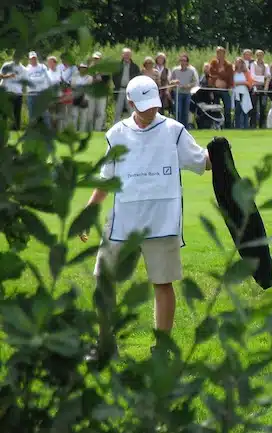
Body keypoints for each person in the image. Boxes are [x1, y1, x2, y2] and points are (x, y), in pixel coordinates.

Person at [80, 75, 212, 356]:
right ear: (130, 102)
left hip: (162, 220)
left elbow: (202, 161)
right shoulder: (116, 134)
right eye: (143, 105)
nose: (150, 110)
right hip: (122, 221)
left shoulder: (173, 130)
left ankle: (161, 349)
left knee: (162, 283)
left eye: (153, 104)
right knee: (103, 278)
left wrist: (221, 154)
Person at [169, 52, 199, 129]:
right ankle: (177, 127)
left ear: (187, 62)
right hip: (178, 93)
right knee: (178, 111)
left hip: (187, 93)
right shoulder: (175, 70)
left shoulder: (191, 71)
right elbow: (170, 81)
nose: (183, 62)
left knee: (185, 112)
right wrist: (174, 82)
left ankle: (185, 128)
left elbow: (195, 82)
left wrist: (189, 86)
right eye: (181, 60)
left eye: (184, 60)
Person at [112, 48, 140, 124]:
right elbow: (114, 77)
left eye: (128, 54)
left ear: (131, 56)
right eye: (125, 54)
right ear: (122, 55)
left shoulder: (135, 67)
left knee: (131, 110)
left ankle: (134, 126)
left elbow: (138, 78)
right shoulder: (117, 66)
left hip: (131, 91)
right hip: (120, 90)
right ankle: (115, 127)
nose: (127, 56)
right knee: (118, 110)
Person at [208, 46, 234, 129]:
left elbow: (229, 76)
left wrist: (219, 75)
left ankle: (228, 126)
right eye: (218, 53)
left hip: (225, 89)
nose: (219, 55)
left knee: (227, 108)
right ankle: (217, 125)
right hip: (215, 89)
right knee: (216, 108)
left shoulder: (228, 65)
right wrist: (220, 76)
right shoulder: (213, 63)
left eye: (221, 53)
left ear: (224, 54)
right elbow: (211, 74)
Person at [25, 51, 52, 126]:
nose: (33, 60)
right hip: (31, 94)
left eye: (34, 58)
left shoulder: (42, 67)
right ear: (29, 59)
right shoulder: (26, 69)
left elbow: (46, 78)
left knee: (45, 113)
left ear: (36, 58)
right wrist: (38, 79)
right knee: (32, 114)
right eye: (31, 59)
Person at [1, 52, 26, 130]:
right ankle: (2, 127)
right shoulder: (6, 65)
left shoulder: (23, 69)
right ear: (13, 57)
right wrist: (8, 76)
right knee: (4, 112)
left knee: (17, 113)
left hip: (17, 93)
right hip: (6, 91)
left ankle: (16, 128)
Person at [249, 49, 270, 129]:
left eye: (261, 55)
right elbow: (252, 76)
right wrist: (264, 78)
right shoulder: (253, 65)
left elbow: (268, 76)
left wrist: (265, 83)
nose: (259, 57)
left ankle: (262, 125)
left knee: (263, 107)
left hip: (263, 88)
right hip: (255, 87)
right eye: (258, 55)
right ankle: (253, 125)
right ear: (255, 56)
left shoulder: (266, 65)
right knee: (254, 107)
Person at [232, 57, 254, 129]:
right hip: (236, 94)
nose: (238, 64)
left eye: (240, 62)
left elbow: (250, 84)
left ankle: (245, 127)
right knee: (237, 111)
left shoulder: (246, 73)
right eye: (237, 62)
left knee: (245, 111)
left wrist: (243, 83)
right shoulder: (233, 73)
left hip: (244, 94)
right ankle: (237, 127)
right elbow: (231, 83)